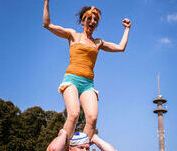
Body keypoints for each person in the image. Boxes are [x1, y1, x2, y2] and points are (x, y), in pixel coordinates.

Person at [43, 1, 131, 141]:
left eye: (95, 19)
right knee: (73, 114)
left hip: (88, 84)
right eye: (89, 18)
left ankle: (80, 150)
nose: (92, 21)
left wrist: (127, 29)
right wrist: (46, 2)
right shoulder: (73, 35)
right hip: (71, 79)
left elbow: (121, 47)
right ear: (83, 21)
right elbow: (47, 24)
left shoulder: (98, 43)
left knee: (92, 118)